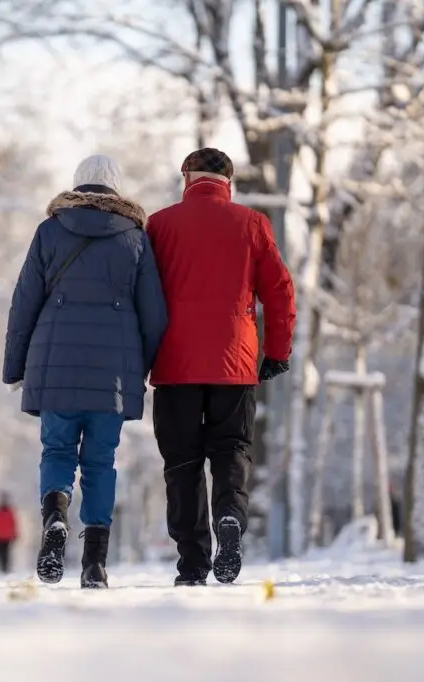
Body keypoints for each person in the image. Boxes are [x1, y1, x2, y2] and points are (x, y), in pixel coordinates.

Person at [2, 155, 168, 589]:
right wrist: (140, 369)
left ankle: (56, 514)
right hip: (112, 374)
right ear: (116, 188)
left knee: (57, 450)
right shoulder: (134, 238)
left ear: (78, 185)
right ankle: (94, 563)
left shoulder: (50, 231)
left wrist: (15, 366)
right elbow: (154, 314)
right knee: (100, 463)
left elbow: (24, 303)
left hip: (55, 365)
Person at [145, 148, 296, 586]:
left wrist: (138, 357)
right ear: (228, 183)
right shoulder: (252, 224)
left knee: (182, 462)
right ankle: (229, 514)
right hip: (235, 361)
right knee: (231, 449)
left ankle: (192, 562)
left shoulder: (160, 225)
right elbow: (280, 291)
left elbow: (141, 295)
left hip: (175, 362)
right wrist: (277, 352)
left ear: (187, 178)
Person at [0, 492, 19, 573]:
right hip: (0, 536)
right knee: (2, 552)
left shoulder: (7, 512)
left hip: (5, 536)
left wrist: (14, 534)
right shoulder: (0, 511)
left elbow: (13, 523)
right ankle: (1, 568)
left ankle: (4, 569)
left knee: (5, 553)